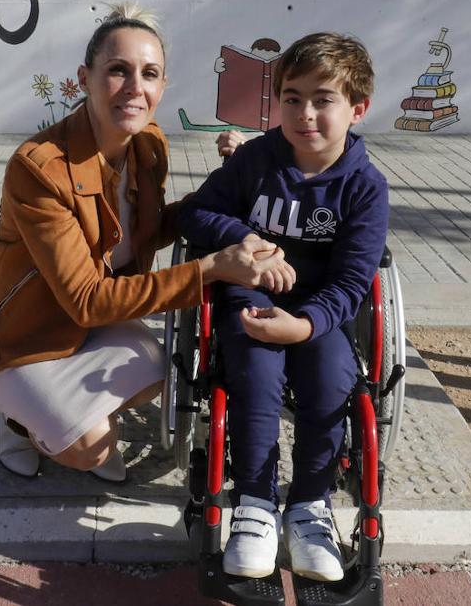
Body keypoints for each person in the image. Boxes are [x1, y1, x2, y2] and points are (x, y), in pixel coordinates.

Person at [0, 2, 293, 483]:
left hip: (87, 323)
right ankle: (15, 419)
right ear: (85, 78)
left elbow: (153, 228)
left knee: (159, 371)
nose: (135, 88)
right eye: (118, 71)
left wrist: (234, 178)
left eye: (149, 74)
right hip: (14, 335)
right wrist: (211, 269)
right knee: (92, 451)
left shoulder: (149, 146)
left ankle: (56, 408)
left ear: (162, 86)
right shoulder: (39, 168)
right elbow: (87, 300)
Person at [178, 33, 388, 582]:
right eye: (293, 98)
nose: (305, 114)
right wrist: (247, 240)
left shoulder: (365, 188)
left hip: (321, 312)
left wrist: (307, 324)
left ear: (357, 109)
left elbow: (352, 282)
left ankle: (309, 509)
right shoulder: (257, 159)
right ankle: (255, 505)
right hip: (249, 295)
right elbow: (197, 214)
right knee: (253, 369)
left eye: (323, 100)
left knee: (331, 377)